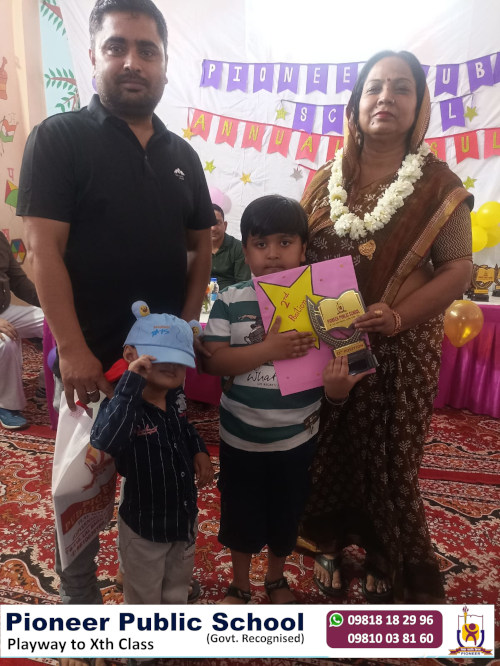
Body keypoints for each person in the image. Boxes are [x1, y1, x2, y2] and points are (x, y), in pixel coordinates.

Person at [16, 0, 213, 624]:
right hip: (91, 359)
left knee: (159, 472)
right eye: (117, 47)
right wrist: (74, 350)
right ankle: (78, 590)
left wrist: (184, 327)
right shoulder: (59, 139)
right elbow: (42, 249)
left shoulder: (183, 155)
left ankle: (156, 577)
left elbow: (200, 248)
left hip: (162, 365)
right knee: (83, 482)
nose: (133, 62)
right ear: (94, 57)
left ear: (164, 63)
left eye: (147, 50)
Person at [299, 50, 473, 604]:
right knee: (327, 446)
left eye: (401, 88)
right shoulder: (322, 181)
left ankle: (385, 554)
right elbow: (295, 256)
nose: (386, 98)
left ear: (419, 106)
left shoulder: (438, 185)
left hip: (402, 347)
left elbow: (459, 269)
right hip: (328, 345)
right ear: (356, 104)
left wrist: (398, 317)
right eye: (374, 87)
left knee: (391, 461)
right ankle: (326, 541)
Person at [203, 194, 368, 604]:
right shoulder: (230, 299)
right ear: (245, 251)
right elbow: (213, 362)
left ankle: (275, 579)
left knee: (286, 515)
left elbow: (347, 366)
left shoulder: (325, 301)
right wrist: (269, 349)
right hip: (240, 439)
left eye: (285, 242)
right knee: (240, 515)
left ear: (303, 249)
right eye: (261, 244)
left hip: (296, 441)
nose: (273, 254)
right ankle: (240, 583)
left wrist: (338, 390)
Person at [90, 302, 213, 604]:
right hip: (144, 526)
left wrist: (199, 450)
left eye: (180, 360)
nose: (172, 366)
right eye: (161, 356)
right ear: (131, 355)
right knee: (143, 594)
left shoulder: (175, 399)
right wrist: (131, 385)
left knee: (176, 585)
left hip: (182, 518)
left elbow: (184, 428)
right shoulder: (121, 405)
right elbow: (107, 441)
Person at [0, 231, 44, 430]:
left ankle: (46, 385)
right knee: (6, 341)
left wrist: (51, 304)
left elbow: (18, 281)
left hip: (4, 310)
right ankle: (6, 406)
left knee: (54, 321)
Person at [210, 203, 251, 289]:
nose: (213, 228)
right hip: (201, 295)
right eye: (208, 223)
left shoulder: (238, 248)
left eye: (217, 223)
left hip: (230, 295)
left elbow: (243, 284)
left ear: (225, 225)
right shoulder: (195, 248)